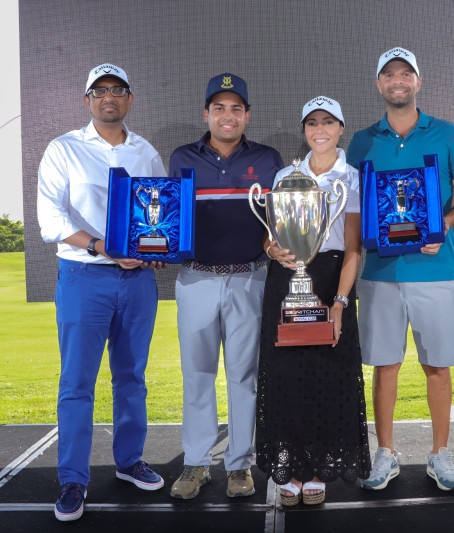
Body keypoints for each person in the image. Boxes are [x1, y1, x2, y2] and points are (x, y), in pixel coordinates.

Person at [346, 47, 454, 491]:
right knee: (385, 366)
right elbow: (350, 205)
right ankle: (385, 453)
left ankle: (440, 454)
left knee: (437, 367)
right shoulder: (363, 141)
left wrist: (441, 223)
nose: (398, 81)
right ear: (379, 84)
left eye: (406, 74)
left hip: (434, 271)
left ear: (418, 82)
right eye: (389, 75)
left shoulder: (444, 133)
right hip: (380, 274)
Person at [37, 63, 166, 522]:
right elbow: (50, 220)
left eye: (117, 90)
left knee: (131, 378)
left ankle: (129, 461)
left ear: (129, 99)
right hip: (83, 277)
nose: (108, 97)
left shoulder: (145, 152)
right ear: (87, 101)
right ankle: (73, 479)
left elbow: (158, 216)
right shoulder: (63, 149)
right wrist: (100, 246)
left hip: (136, 282)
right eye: (99, 90)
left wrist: (155, 249)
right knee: (77, 383)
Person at [168, 73, 283, 500]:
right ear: (206, 114)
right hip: (196, 278)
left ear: (247, 115)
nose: (228, 115)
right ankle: (196, 463)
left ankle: (238, 465)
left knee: (243, 376)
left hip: (249, 279)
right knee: (197, 374)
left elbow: (278, 222)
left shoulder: (268, 159)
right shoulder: (182, 158)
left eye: (236, 108)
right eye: (219, 108)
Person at [255, 96, 371, 506]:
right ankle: (291, 467)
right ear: (304, 129)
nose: (319, 130)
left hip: (332, 278)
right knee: (287, 373)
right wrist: (273, 251)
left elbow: (354, 248)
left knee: (328, 373)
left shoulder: (352, 178)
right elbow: (270, 233)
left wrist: (339, 303)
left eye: (328, 122)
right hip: (287, 278)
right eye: (312, 123)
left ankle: (319, 468)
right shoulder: (288, 173)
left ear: (341, 128)